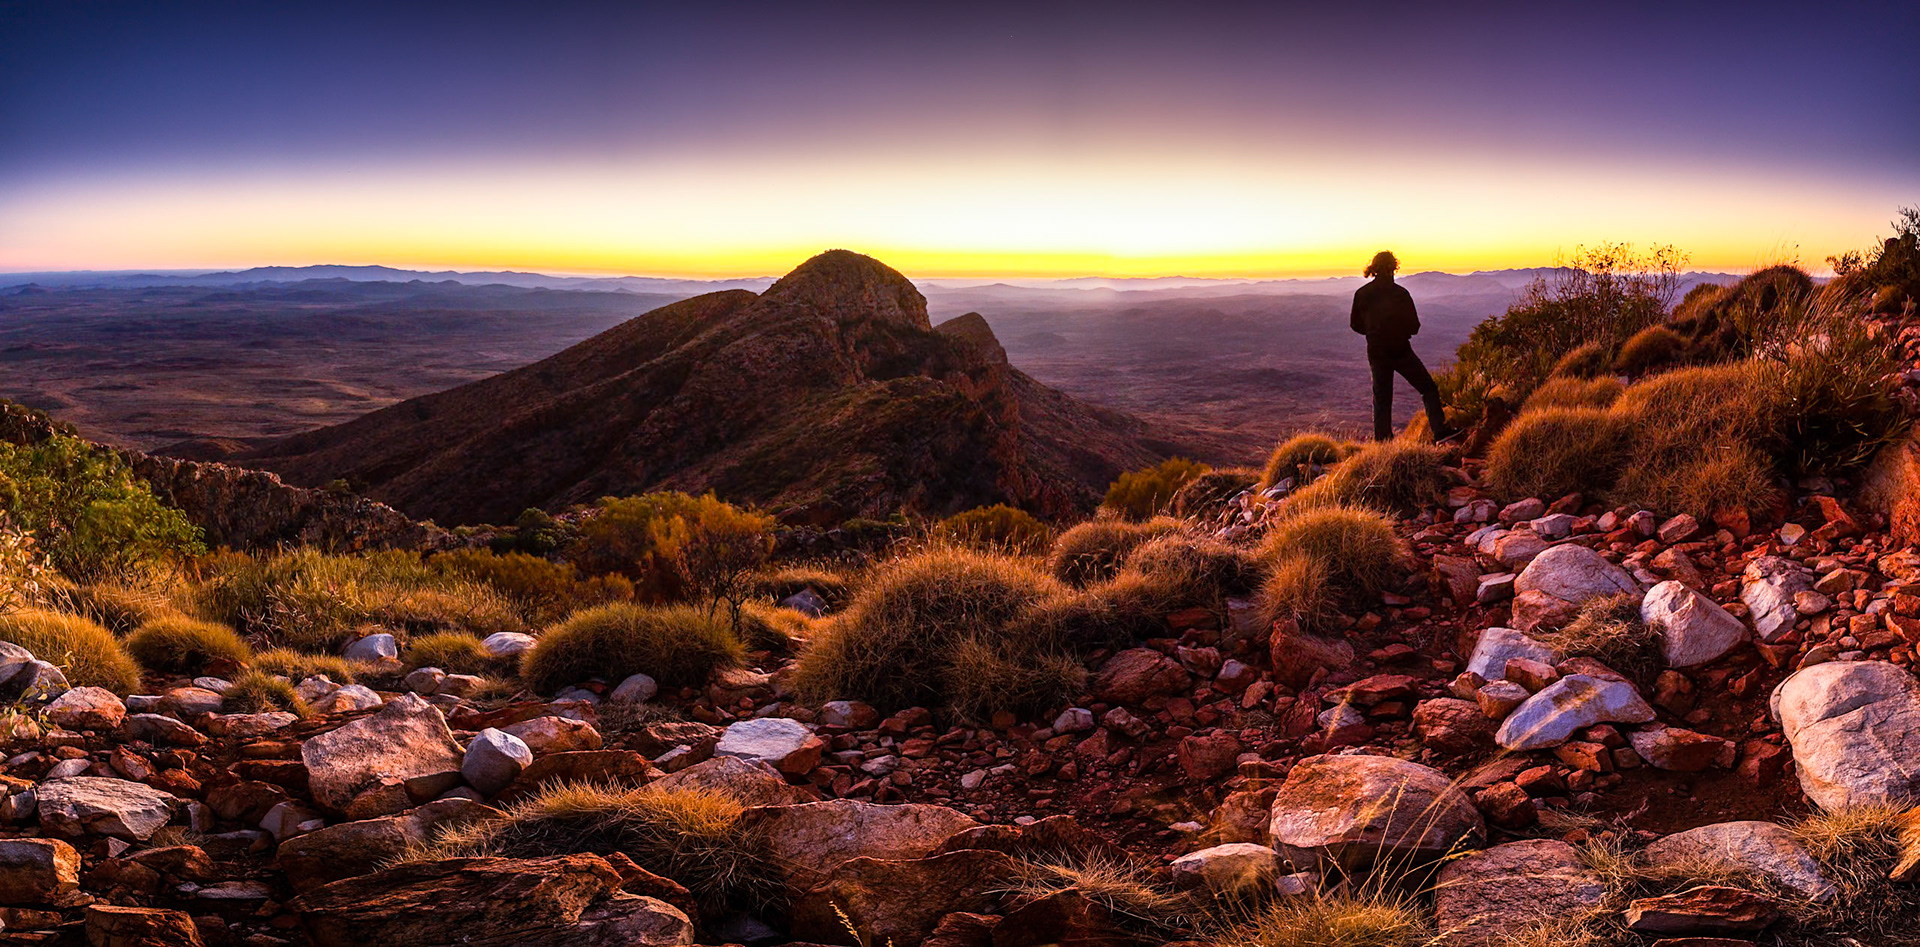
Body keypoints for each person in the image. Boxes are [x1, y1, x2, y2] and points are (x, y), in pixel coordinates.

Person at [1350, 250, 1460, 443]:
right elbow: (1414, 326)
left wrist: (1372, 333)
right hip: (1400, 350)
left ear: (1373, 268)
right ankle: (1440, 432)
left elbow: (1355, 324)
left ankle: (1384, 444)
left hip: (1376, 352)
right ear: (1394, 267)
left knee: (1382, 398)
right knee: (1428, 388)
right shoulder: (1400, 294)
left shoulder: (1362, 294)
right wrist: (1401, 332)